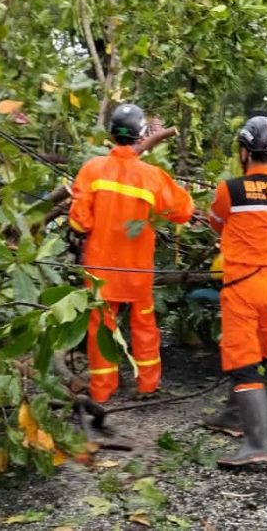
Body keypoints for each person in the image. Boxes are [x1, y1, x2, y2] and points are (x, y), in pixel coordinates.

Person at [68, 103, 194, 403]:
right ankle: (148, 386)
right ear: (140, 137)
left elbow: (78, 221)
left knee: (102, 330)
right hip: (138, 273)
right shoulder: (152, 176)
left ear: (111, 134)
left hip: (100, 272)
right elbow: (184, 211)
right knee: (144, 327)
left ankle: (102, 390)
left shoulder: (92, 170)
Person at [204, 116, 267, 467]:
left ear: (244, 151)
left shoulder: (231, 190)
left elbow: (215, 222)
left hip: (242, 285)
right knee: (255, 353)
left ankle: (258, 445)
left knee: (242, 361)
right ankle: (231, 416)